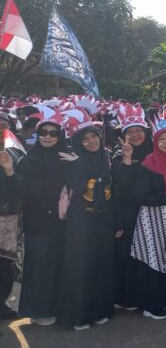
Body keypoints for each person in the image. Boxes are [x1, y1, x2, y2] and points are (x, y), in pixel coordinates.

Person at [57, 119, 115, 330]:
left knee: (101, 266)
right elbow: (79, 186)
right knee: (80, 267)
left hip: (103, 221)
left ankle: (100, 310)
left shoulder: (105, 158)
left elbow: (110, 190)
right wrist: (79, 164)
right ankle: (79, 315)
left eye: (94, 136)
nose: (91, 142)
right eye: (85, 139)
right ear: (78, 143)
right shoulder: (72, 161)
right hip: (80, 222)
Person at [131, 116, 166, 320]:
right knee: (154, 260)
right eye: (161, 139)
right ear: (155, 142)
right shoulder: (149, 164)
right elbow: (141, 196)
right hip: (154, 218)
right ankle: (151, 305)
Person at [16, 113, 70, 326]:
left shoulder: (66, 157)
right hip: (37, 223)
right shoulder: (28, 160)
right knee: (39, 266)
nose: (48, 137)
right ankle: (37, 310)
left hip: (62, 222)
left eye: (53, 133)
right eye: (43, 133)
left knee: (58, 265)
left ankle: (55, 305)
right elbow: (19, 191)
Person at [111, 104, 152, 311]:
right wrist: (127, 157)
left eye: (139, 130)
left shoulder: (154, 150)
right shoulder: (119, 154)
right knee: (126, 255)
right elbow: (121, 182)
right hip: (127, 212)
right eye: (130, 131)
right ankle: (126, 297)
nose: (135, 135)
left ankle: (145, 294)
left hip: (151, 211)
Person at [0, 125, 23, 320]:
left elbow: (19, 191)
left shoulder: (13, 154)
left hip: (6, 218)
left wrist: (9, 172)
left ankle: (1, 304)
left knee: (4, 264)